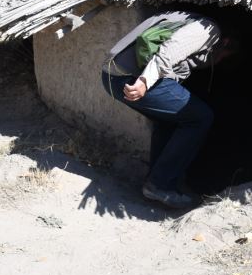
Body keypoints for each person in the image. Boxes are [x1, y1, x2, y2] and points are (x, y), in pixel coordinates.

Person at [101, 11, 238, 208]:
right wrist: (144, 81)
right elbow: (170, 50)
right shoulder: (209, 30)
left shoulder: (181, 18)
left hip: (111, 76)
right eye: (225, 57)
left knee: (169, 120)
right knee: (200, 118)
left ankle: (157, 182)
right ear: (225, 43)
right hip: (130, 78)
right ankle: (160, 184)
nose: (219, 62)